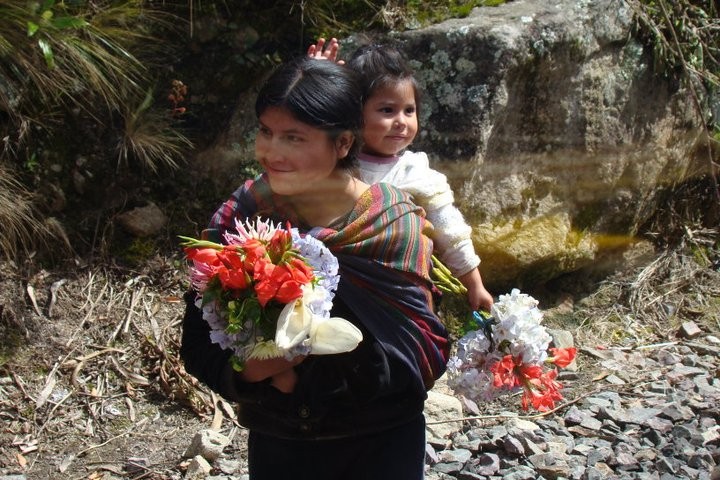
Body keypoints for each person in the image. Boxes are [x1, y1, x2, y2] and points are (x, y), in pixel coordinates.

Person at [180, 56, 449, 480]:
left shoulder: (392, 225)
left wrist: (304, 371)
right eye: (266, 132)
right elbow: (197, 344)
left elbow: (422, 352)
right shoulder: (244, 217)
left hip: (380, 442)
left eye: (294, 137)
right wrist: (255, 371)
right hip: (281, 444)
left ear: (343, 143)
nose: (272, 152)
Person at [309, 38, 494, 312]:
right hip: (336, 287)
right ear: (353, 112)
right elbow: (303, 134)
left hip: (402, 295)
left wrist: (475, 284)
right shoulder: (336, 160)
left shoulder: (417, 173)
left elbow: (450, 230)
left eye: (409, 110)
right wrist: (319, 84)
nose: (401, 121)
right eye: (387, 110)